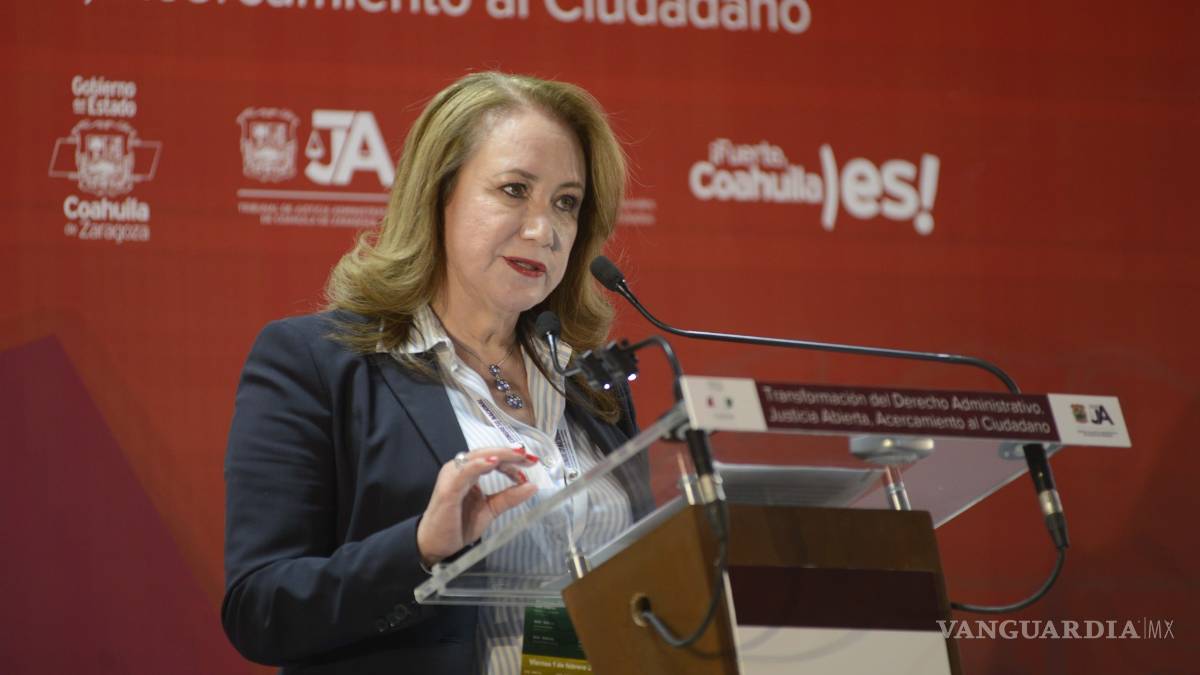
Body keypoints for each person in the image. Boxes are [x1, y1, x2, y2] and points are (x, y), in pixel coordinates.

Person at [221, 72, 649, 674]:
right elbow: (260, 609)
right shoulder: (317, 363)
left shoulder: (587, 385)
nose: (543, 230)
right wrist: (419, 550)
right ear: (438, 195)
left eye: (565, 203)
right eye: (514, 190)